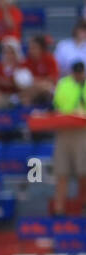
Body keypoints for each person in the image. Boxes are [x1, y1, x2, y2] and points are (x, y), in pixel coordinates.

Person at [52, 61, 86, 215]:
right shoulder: (63, 84)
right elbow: (57, 105)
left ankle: (84, 205)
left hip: (83, 131)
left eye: (81, 72)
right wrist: (71, 111)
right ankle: (59, 208)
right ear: (72, 72)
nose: (79, 75)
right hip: (64, 129)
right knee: (61, 171)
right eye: (76, 72)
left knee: (84, 171)